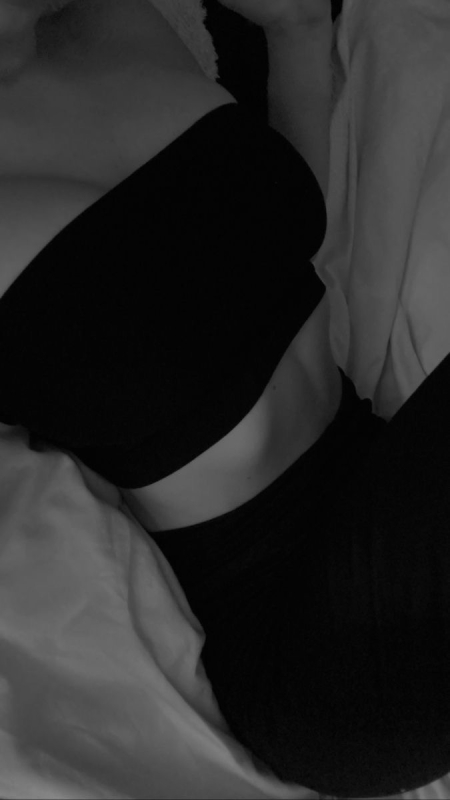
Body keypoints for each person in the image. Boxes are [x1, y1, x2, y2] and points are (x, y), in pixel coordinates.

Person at [0, 0, 449, 797]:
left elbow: (255, 247)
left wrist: (296, 36)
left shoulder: (110, 18)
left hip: (380, 470)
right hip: (311, 653)